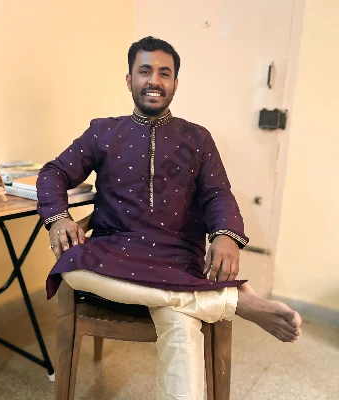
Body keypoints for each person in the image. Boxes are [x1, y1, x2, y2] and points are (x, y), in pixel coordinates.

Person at [37, 36, 301, 400]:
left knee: (181, 324)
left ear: (176, 83)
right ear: (129, 79)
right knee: (72, 262)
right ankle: (233, 302)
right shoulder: (103, 131)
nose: (154, 81)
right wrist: (58, 218)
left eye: (165, 73)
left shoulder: (197, 138)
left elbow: (218, 193)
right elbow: (53, 172)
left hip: (175, 257)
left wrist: (225, 235)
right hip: (114, 252)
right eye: (145, 71)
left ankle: (212, 299)